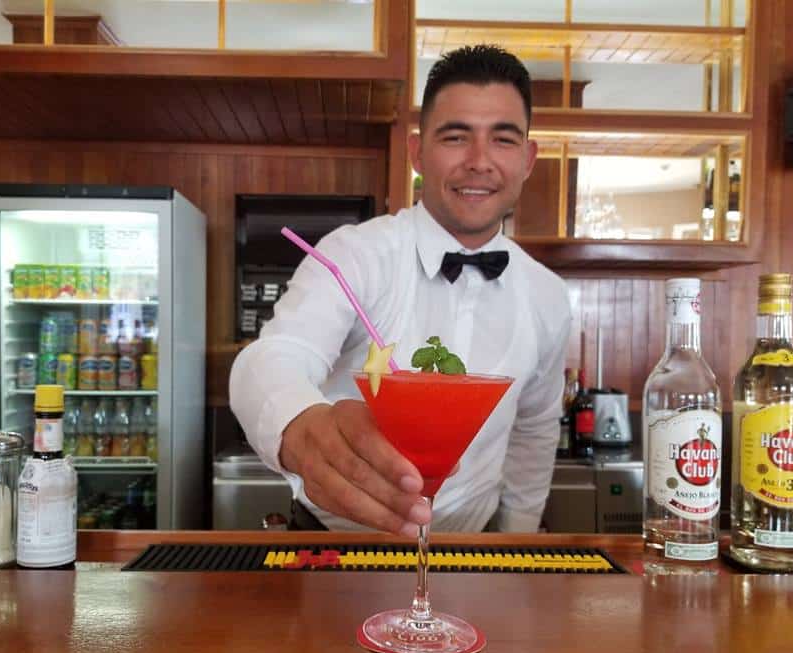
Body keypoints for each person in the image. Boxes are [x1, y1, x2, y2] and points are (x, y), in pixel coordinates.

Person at [230, 44, 572, 537]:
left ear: (528, 158)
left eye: (503, 139)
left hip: (469, 559)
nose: (480, 162)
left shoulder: (548, 296)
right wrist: (299, 427)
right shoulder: (355, 254)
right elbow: (275, 355)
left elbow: (534, 434)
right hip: (335, 552)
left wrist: (514, 553)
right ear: (417, 151)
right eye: (456, 137)